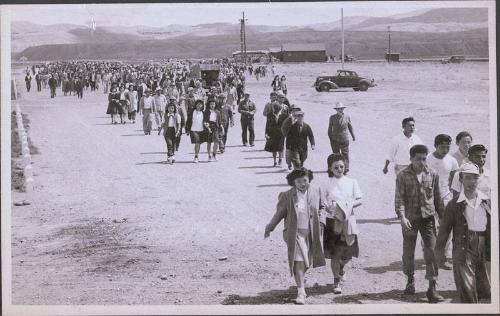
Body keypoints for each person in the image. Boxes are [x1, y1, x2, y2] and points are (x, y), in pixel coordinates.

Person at [264, 168, 326, 305]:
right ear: (293, 182)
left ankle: (301, 279)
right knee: (298, 261)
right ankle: (301, 292)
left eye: (305, 180)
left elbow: (322, 208)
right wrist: (270, 227)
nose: (303, 183)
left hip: (311, 233)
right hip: (295, 234)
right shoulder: (286, 195)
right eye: (299, 181)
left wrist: (322, 221)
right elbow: (279, 214)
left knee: (306, 262)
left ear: (309, 179)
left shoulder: (316, 192)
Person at [435, 162, 491, 303]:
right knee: (467, 288)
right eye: (468, 178)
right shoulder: (454, 204)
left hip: (484, 245)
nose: (472, 182)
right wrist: (439, 253)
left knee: (485, 287)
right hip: (463, 246)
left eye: (475, 178)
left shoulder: (487, 201)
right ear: (461, 179)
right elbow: (444, 231)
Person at [395, 144, 444, 303]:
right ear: (411, 159)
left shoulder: (432, 174)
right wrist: (402, 217)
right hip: (410, 219)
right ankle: (410, 281)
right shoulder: (403, 175)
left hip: (428, 219)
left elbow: (438, 198)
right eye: (418, 159)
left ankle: (432, 287)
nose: (422, 162)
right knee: (408, 252)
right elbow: (399, 198)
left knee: (431, 251)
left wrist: (442, 218)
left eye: (424, 159)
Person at [320, 153, 362, 294]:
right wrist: (329, 207)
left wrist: (346, 205)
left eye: (342, 166)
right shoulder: (326, 183)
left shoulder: (352, 182)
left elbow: (359, 200)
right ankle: (336, 281)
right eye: (336, 167)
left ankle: (342, 268)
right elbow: (322, 201)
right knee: (335, 253)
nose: (339, 169)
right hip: (332, 222)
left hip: (348, 221)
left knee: (347, 254)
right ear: (330, 168)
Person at [426, 134, 459, 270]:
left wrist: (454, 198)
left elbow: (456, 180)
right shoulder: (428, 159)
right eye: (442, 146)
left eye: (447, 147)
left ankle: (443, 257)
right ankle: (430, 255)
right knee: (429, 228)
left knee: (446, 228)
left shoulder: (452, 160)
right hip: (429, 198)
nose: (445, 149)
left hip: (446, 197)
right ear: (435, 146)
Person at [327, 102, 356, 174]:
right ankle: (338, 168)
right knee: (336, 155)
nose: (340, 110)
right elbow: (330, 128)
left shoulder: (347, 116)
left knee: (345, 154)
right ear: (336, 110)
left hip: (344, 139)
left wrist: (353, 136)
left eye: (341, 109)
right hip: (335, 139)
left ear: (343, 109)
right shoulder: (332, 117)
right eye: (338, 109)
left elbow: (350, 127)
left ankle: (346, 168)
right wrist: (330, 138)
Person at [264, 102, 286, 167]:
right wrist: (266, 133)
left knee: (280, 147)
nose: (273, 109)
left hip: (280, 134)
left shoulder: (283, 115)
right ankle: (274, 161)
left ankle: (280, 159)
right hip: (272, 133)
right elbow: (267, 125)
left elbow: (285, 125)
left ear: (279, 108)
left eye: (274, 107)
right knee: (273, 148)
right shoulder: (269, 115)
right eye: (273, 107)